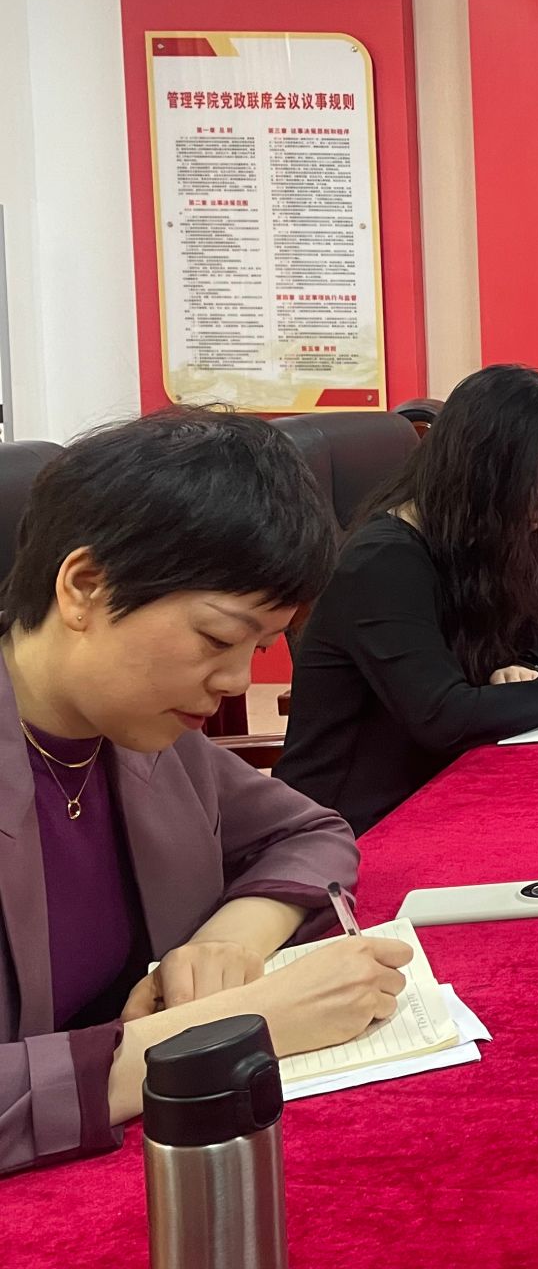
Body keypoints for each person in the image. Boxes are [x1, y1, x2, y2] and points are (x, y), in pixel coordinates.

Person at [0, 409, 413, 1174]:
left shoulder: (142, 733)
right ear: (85, 586)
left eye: (261, 646)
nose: (235, 680)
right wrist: (232, 1025)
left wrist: (229, 941)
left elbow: (311, 833)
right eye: (217, 639)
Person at [276, 366, 538, 834]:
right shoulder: (383, 563)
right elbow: (444, 717)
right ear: (484, 470)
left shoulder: (479, 538)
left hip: (448, 782)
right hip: (353, 826)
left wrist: (528, 667)